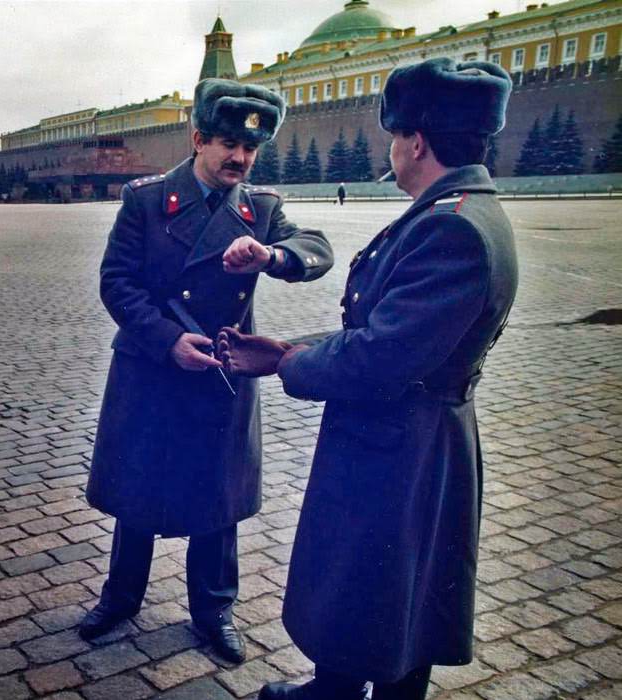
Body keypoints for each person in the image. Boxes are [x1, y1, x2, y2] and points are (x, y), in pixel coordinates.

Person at [217, 57, 517, 699]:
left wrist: (284, 361)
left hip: (402, 441)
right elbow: (387, 336)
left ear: (415, 140)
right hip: (408, 429)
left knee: (389, 580)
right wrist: (290, 345)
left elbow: (378, 358)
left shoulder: (451, 229)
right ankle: (340, 682)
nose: (393, 148)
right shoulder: (457, 210)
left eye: (395, 136)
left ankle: (348, 691)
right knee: (383, 581)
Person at [82, 78, 334, 663]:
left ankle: (213, 608)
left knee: (218, 498)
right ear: (198, 139)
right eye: (227, 144)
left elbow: (317, 249)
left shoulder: (261, 209)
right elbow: (116, 283)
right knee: (139, 488)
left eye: (250, 149)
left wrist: (272, 255)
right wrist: (168, 340)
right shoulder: (146, 200)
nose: (240, 158)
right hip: (152, 367)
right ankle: (120, 597)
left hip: (222, 373)